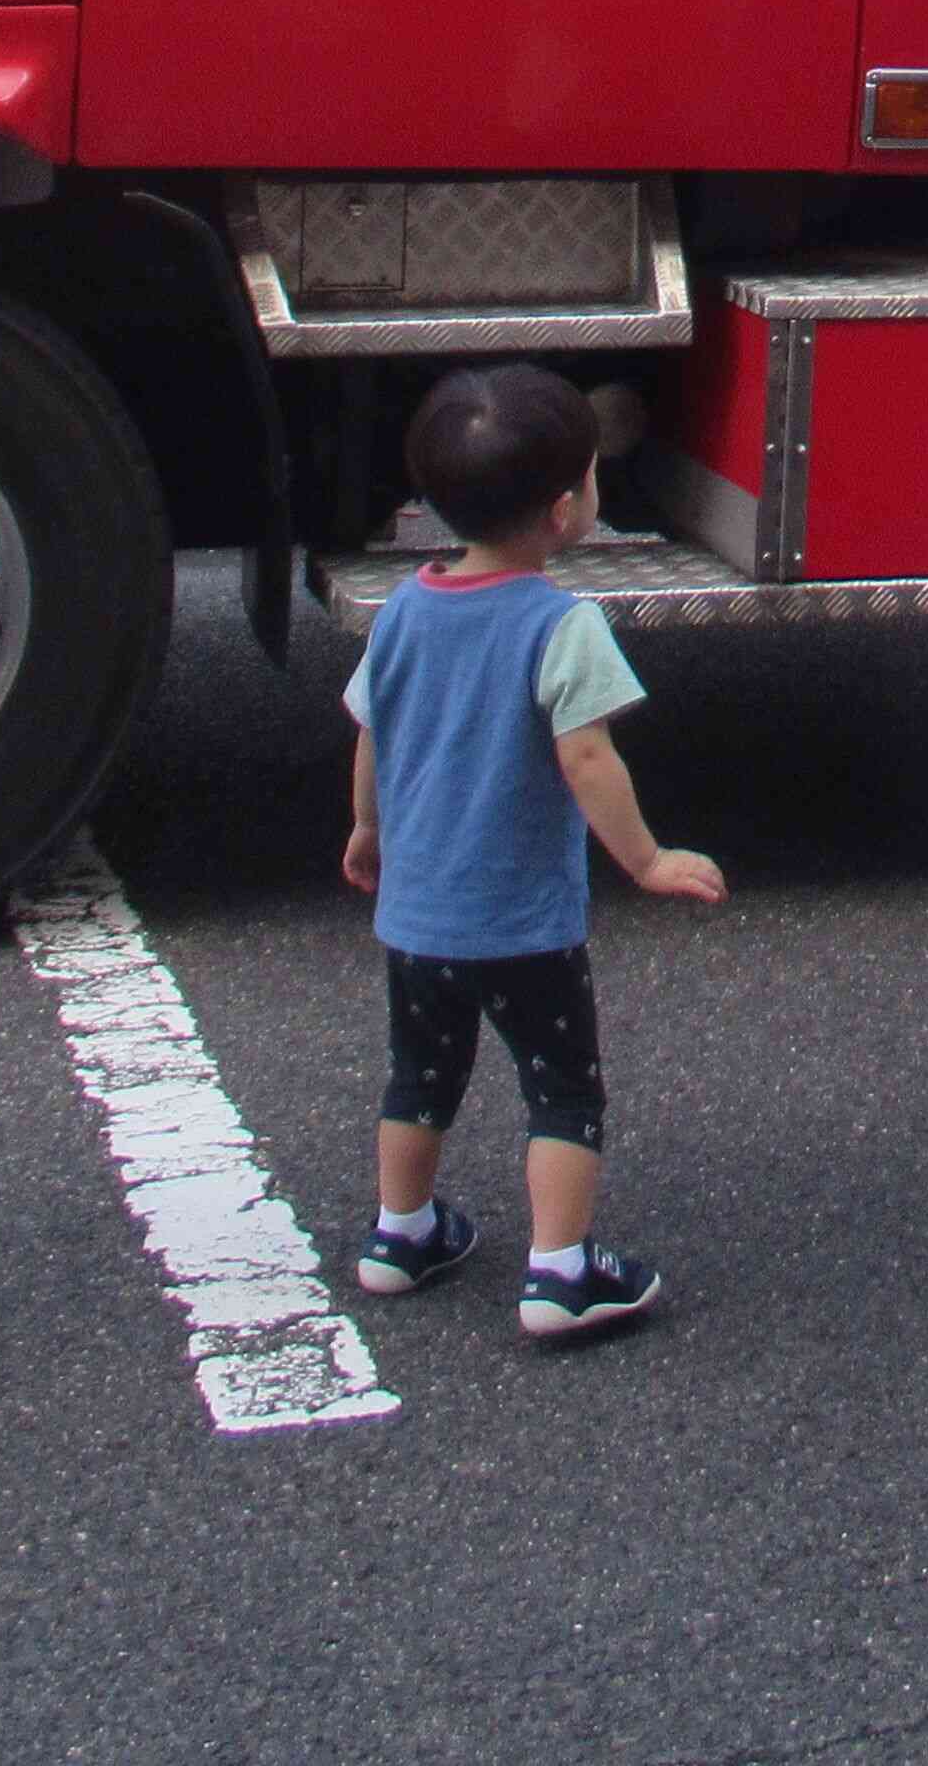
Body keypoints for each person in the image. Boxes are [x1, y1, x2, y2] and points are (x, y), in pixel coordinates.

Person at [343, 366, 727, 1329]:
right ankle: (559, 1269)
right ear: (567, 510)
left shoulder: (400, 612)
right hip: (522, 923)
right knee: (561, 1088)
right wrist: (644, 860)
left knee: (419, 1072)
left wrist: (369, 830)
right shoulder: (562, 624)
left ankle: (401, 1231)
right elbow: (587, 757)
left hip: (418, 921)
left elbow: (372, 734)